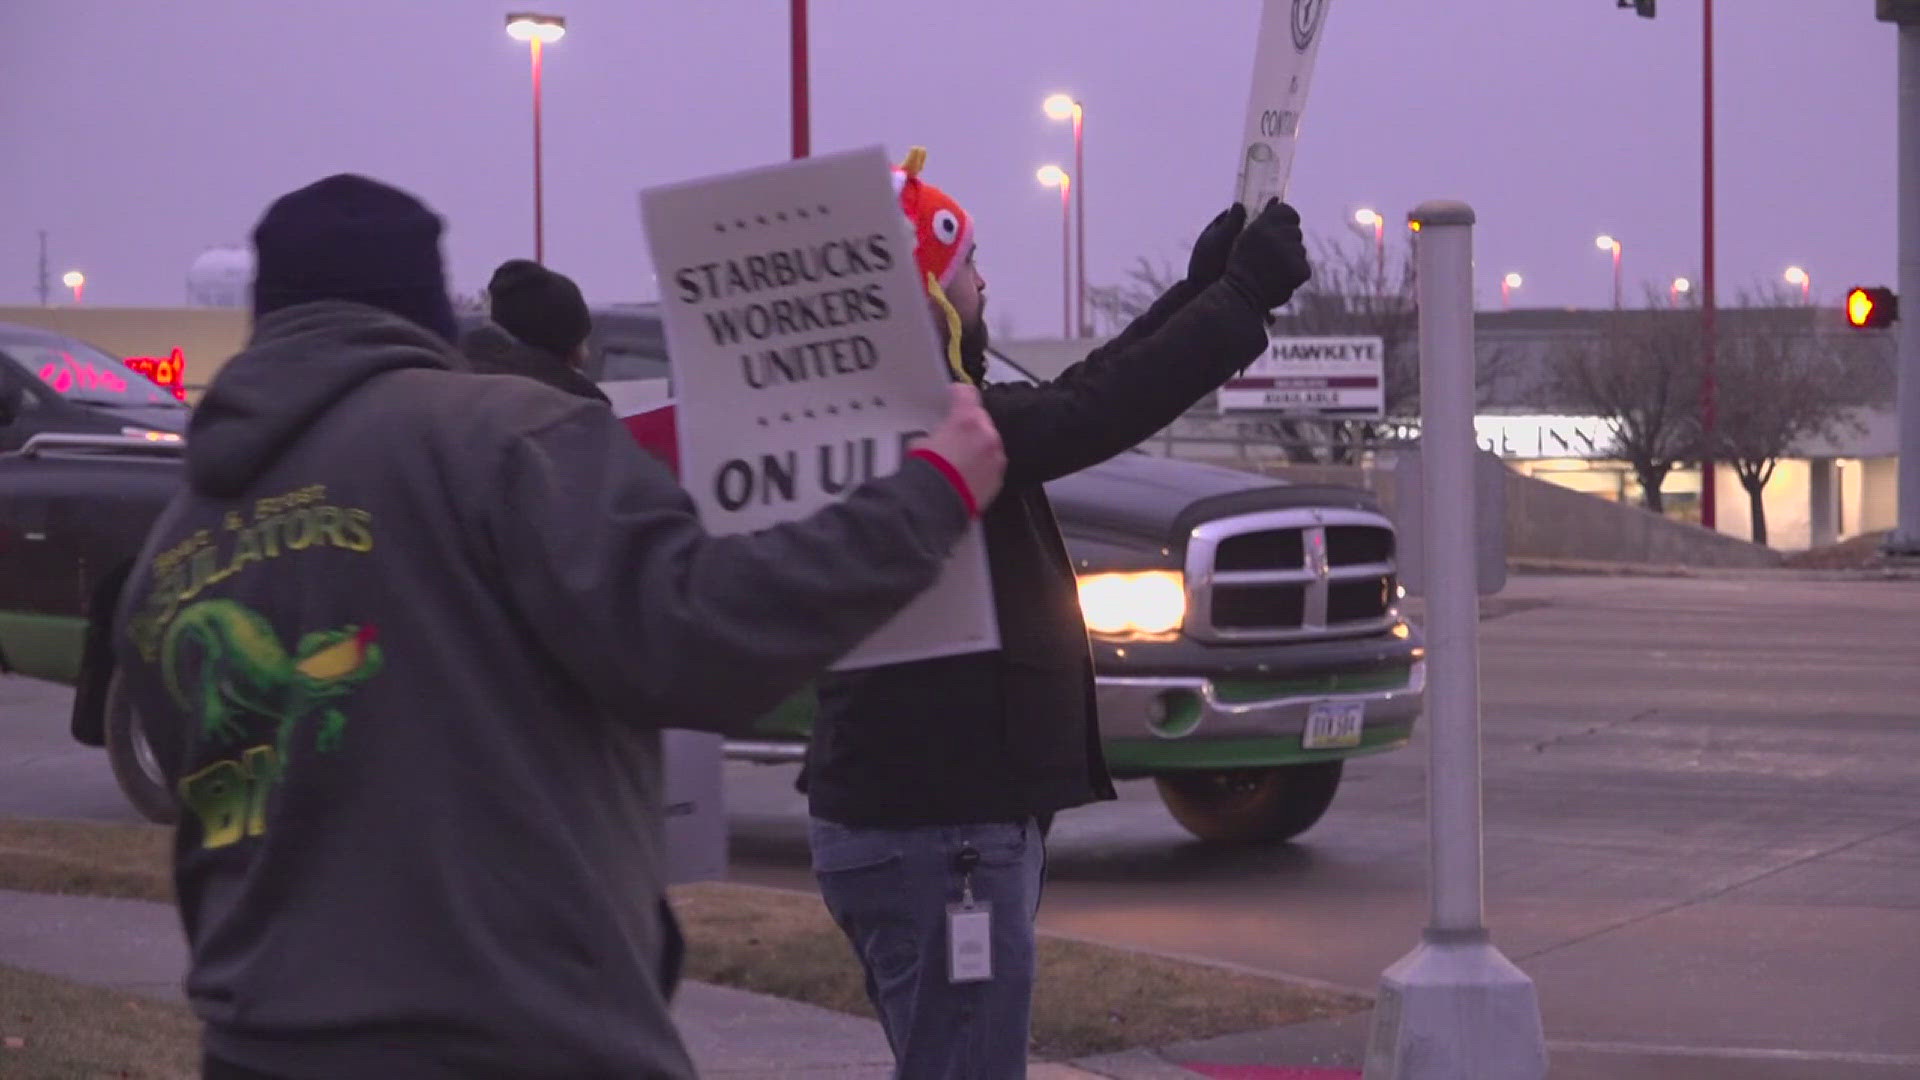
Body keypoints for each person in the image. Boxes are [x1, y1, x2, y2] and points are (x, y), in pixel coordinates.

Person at [110, 172, 1006, 1080]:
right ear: (427, 307)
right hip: (513, 1037)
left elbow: (211, 830)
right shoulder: (508, 439)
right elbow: (698, 635)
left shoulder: (175, 546)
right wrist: (929, 495)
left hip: (259, 1046)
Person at [804, 148, 1312, 1078]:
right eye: (966, 268)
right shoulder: (916, 425)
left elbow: (1074, 396)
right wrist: (1236, 305)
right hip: (944, 834)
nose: (984, 281)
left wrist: (1204, 294)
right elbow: (1087, 414)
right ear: (920, 292)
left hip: (927, 826)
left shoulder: (881, 412)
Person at [461, 258, 609, 403]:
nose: (587, 353)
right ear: (565, 345)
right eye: (581, 339)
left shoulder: (452, 380)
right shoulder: (576, 410)